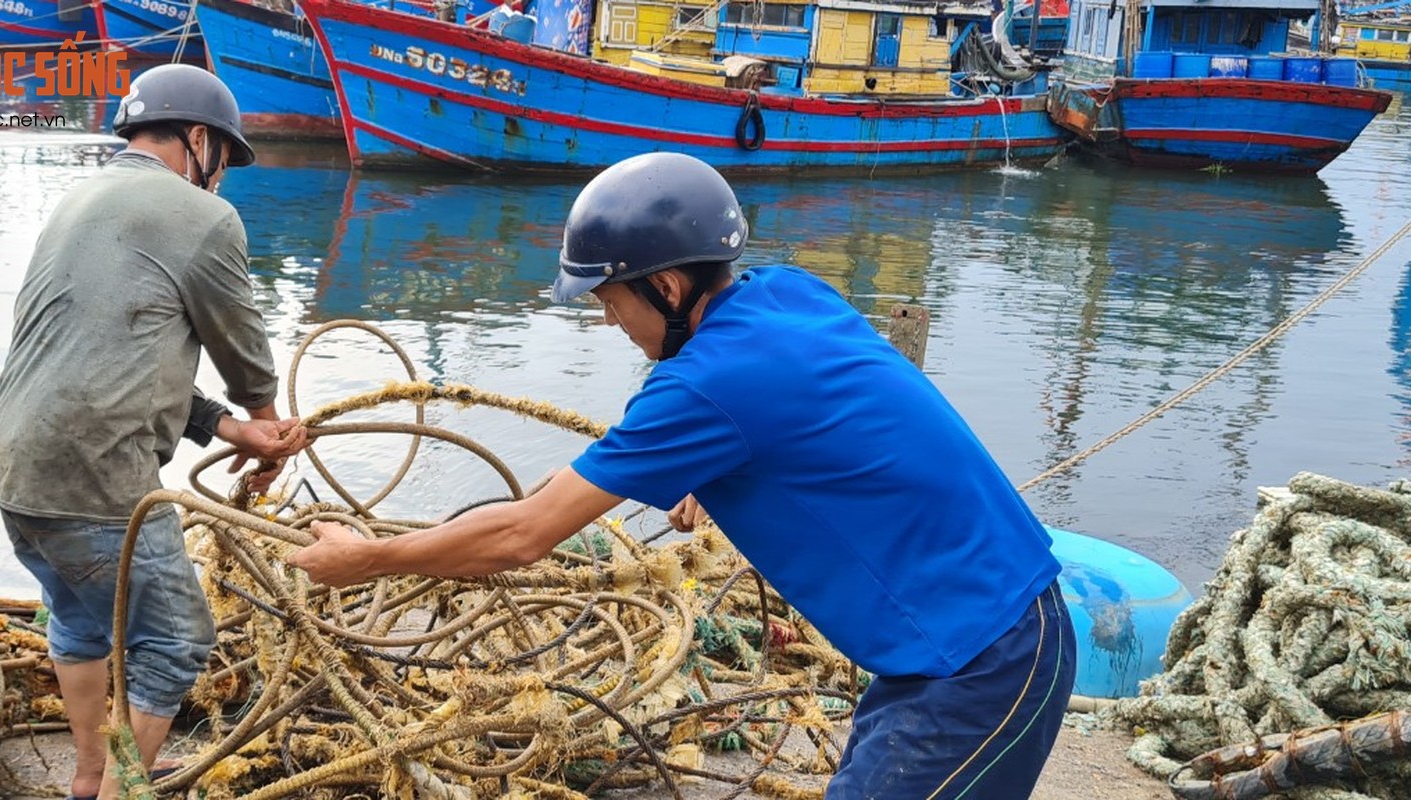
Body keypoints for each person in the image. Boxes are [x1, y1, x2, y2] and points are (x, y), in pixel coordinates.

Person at [288, 152, 1075, 799]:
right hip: (972, 635)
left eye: (608, 299)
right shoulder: (787, 293)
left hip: (981, 662)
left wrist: (368, 559)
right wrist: (717, 465)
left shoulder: (705, 386)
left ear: (665, 287)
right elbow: (823, 411)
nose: (606, 320)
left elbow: (525, 534)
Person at [0, 64, 309, 800]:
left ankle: (89, 775)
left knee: (78, 619)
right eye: (223, 159)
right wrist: (266, 427)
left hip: (15, 468)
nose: (221, 180)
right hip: (96, 476)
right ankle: (124, 789)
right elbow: (241, 343)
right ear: (200, 140)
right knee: (176, 638)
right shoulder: (203, 216)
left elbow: (120, 355)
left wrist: (223, 427)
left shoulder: (78, 199)